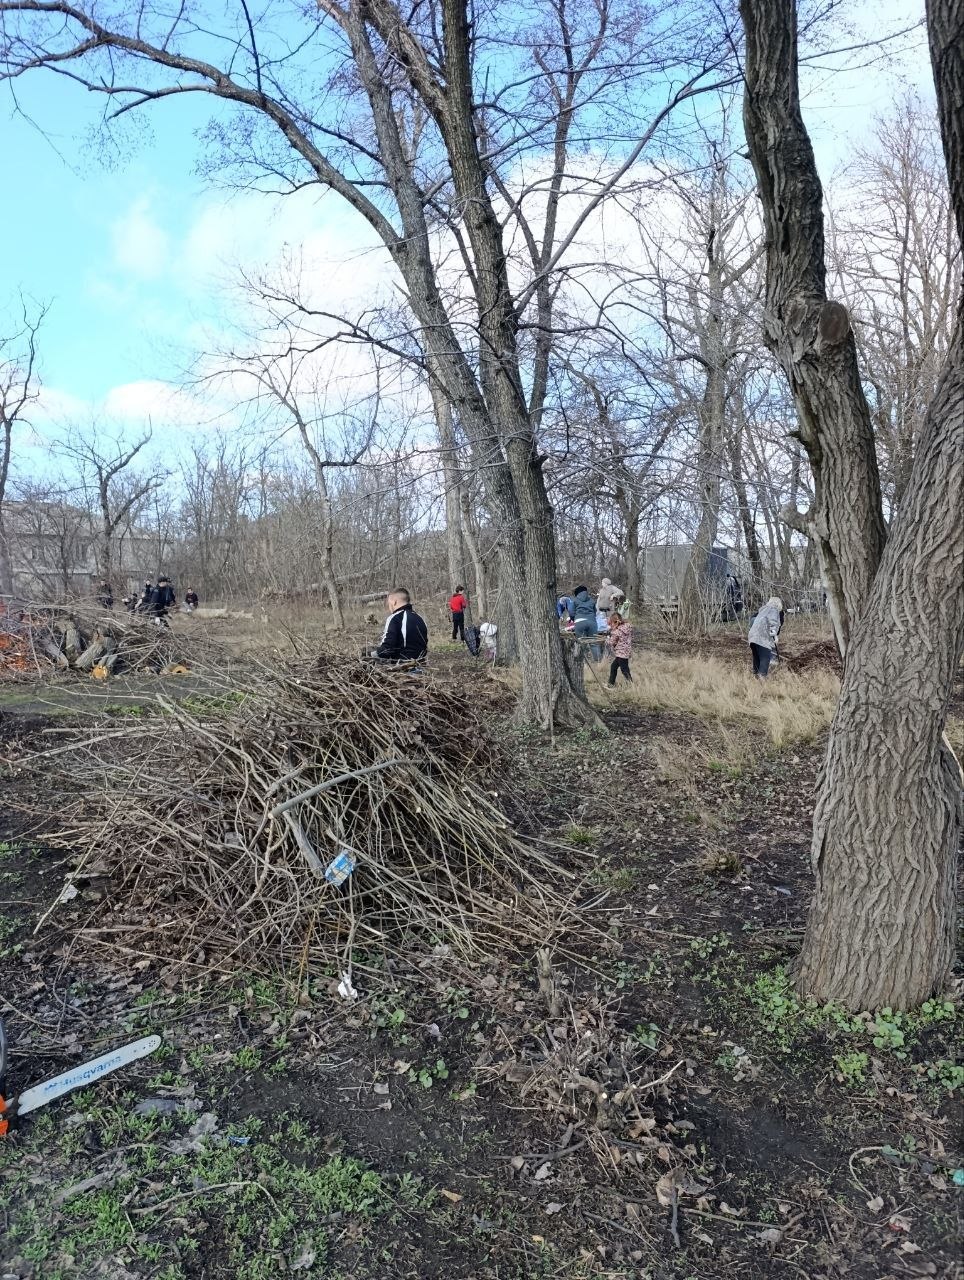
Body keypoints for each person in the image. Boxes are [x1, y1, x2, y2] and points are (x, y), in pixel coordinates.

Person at [372, 587, 428, 662]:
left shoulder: (395, 618)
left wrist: (370, 655)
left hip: (402, 665)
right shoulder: (420, 618)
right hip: (420, 664)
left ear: (394, 602)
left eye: (389, 603)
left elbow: (387, 649)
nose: (389, 606)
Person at [748, 596, 783, 679]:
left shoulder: (763, 610)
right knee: (765, 657)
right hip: (762, 637)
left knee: (757, 657)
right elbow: (773, 622)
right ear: (778, 604)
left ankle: (755, 676)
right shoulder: (773, 610)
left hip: (752, 637)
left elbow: (752, 621)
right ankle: (762, 678)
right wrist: (775, 636)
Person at [572, 584, 601, 661]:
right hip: (592, 622)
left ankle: (580, 662)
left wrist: (573, 618)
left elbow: (571, 612)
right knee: (594, 643)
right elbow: (595, 612)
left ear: (577, 593)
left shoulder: (574, 600)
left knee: (582, 643)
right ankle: (598, 662)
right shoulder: (592, 600)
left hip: (579, 622)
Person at [606, 611, 633, 686]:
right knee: (614, 667)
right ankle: (611, 683)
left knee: (624, 669)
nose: (611, 625)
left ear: (615, 622)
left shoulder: (616, 632)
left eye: (611, 623)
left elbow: (611, 642)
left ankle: (630, 684)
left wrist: (607, 639)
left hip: (621, 653)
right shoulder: (627, 627)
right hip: (626, 652)